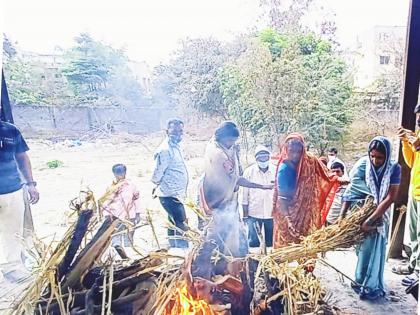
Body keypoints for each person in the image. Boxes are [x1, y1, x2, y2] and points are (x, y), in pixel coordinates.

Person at [199, 121, 272, 257]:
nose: (232, 143)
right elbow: (236, 179)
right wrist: (261, 186)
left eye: (234, 141)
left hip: (228, 198)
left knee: (233, 231)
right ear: (221, 137)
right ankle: (216, 259)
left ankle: (234, 257)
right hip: (217, 199)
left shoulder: (226, 147)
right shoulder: (217, 154)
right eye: (230, 140)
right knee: (218, 232)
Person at [340, 136, 401, 300]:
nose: (375, 160)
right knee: (362, 251)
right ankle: (359, 280)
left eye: (380, 157)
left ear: (387, 156)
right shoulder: (363, 165)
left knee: (374, 250)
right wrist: (342, 217)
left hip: (378, 215)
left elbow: (389, 198)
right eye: (372, 156)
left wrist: (371, 220)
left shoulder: (394, 168)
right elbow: (350, 192)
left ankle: (371, 286)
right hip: (358, 213)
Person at [273, 133, 338, 248]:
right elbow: (282, 199)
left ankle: (306, 265)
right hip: (287, 213)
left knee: (307, 247)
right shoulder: (284, 169)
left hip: (306, 213)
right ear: (286, 149)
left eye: (298, 151)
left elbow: (326, 175)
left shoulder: (310, 161)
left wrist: (339, 180)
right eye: (291, 151)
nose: (295, 155)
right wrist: (289, 221)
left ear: (303, 150)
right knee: (287, 248)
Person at [0, 120, 39, 282]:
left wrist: (31, 184)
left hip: (13, 190)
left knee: (13, 232)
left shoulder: (10, 130)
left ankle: (12, 268)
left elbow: (22, 157)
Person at [151, 118, 189, 248]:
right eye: (174, 131)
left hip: (176, 193)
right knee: (181, 223)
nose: (178, 134)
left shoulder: (176, 148)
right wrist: (157, 185)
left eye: (180, 131)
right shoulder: (165, 150)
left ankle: (174, 248)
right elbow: (157, 172)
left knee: (173, 222)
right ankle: (183, 249)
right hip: (169, 194)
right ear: (167, 132)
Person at [393, 105, 420, 276]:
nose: (418, 120)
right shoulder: (418, 135)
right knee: (414, 233)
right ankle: (413, 266)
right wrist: (406, 142)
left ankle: (418, 274)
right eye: (418, 117)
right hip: (415, 192)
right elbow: (411, 162)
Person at [99, 164, 140, 254]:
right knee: (115, 237)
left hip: (129, 216)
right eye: (117, 172)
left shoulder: (131, 185)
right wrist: (106, 215)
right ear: (114, 173)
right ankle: (118, 255)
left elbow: (136, 199)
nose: (120, 174)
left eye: (122, 172)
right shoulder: (110, 187)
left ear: (125, 172)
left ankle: (129, 256)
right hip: (114, 216)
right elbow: (106, 201)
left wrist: (137, 213)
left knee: (128, 237)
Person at [242, 145, 276, 248]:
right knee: (254, 243)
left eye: (265, 157)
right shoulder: (249, 172)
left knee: (271, 243)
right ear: (256, 159)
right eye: (260, 158)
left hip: (271, 213)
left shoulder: (275, 170)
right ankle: (254, 264)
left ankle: (269, 263)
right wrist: (245, 215)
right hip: (254, 213)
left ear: (269, 158)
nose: (263, 160)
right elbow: (244, 195)